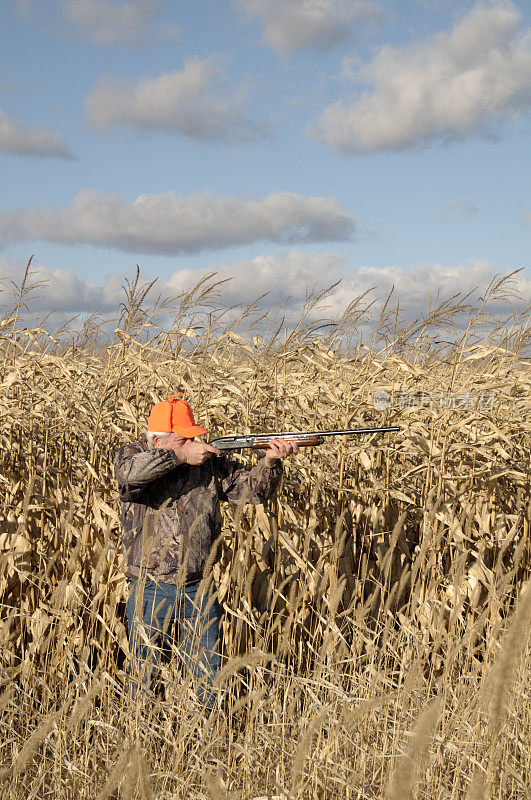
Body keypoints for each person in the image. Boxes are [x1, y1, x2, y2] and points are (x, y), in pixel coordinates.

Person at [114, 394, 298, 708]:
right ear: (160, 439)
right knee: (144, 680)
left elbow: (251, 492)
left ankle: (209, 746)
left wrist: (270, 461)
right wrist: (181, 457)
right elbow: (130, 476)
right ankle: (140, 746)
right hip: (149, 589)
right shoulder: (132, 455)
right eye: (185, 437)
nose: (195, 440)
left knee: (210, 679)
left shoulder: (209, 464)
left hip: (199, 587)